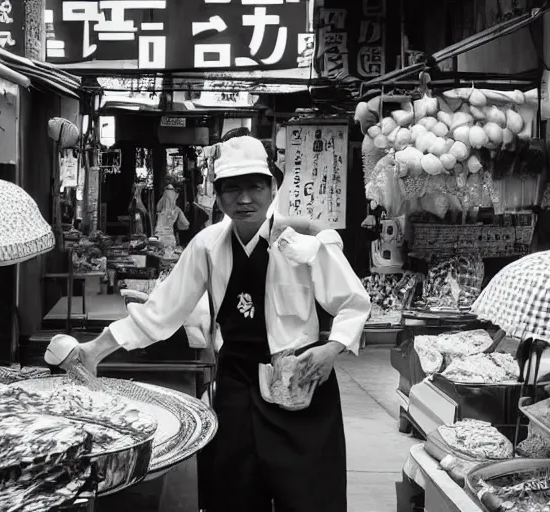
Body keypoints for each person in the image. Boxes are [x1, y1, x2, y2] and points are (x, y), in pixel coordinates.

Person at [47, 136, 370, 512]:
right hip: (237, 387)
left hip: (301, 383)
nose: (244, 198)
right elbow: (160, 311)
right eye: (232, 189)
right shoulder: (207, 246)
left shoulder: (303, 243)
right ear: (217, 197)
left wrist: (332, 349)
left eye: (254, 186)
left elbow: (353, 302)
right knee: (231, 494)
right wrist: (95, 349)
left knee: (310, 497)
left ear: (272, 189)